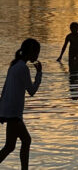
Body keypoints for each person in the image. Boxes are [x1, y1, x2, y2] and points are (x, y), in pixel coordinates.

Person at [0, 38, 42, 170]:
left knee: (10, 146)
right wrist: (39, 74)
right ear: (31, 52)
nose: (37, 56)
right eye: (37, 52)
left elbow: (5, 89)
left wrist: (1, 110)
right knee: (26, 140)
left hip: (9, 111)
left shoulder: (14, 65)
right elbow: (32, 91)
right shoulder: (23, 68)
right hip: (13, 113)